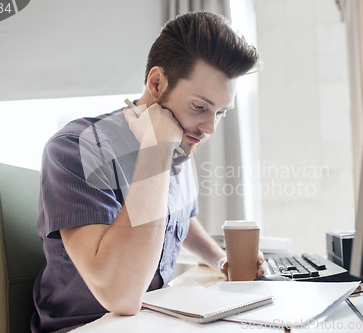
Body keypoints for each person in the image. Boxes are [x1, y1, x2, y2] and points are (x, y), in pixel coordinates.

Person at [31, 11, 263, 333]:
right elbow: (121, 295)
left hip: (151, 319)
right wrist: (157, 150)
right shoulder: (76, 147)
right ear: (156, 83)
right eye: (200, 106)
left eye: (220, 112)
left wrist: (220, 259)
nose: (209, 127)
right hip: (84, 326)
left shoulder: (182, 143)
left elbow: (180, 220)